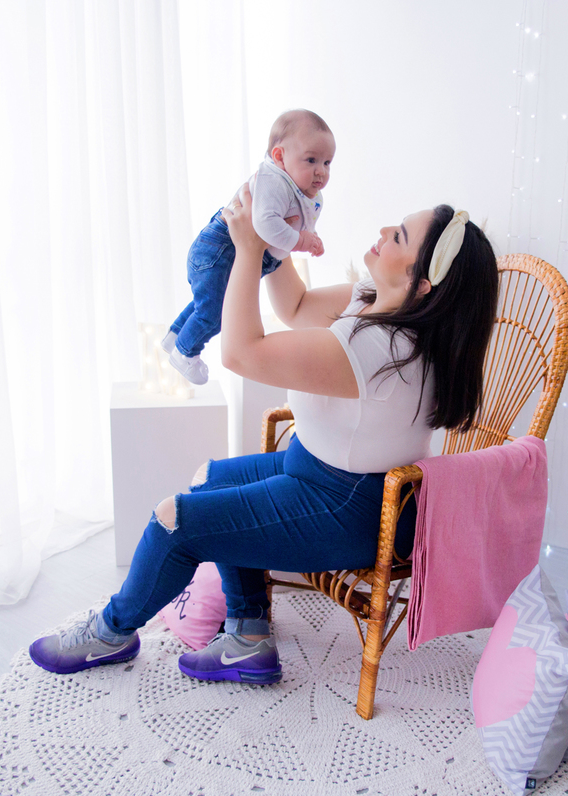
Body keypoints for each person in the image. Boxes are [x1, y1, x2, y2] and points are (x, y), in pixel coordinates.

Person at [29, 185, 500, 684]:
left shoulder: (382, 350)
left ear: (420, 282)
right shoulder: (375, 302)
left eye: (400, 236)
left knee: (175, 519)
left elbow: (241, 353)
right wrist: (279, 242)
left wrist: (249, 251)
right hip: (317, 469)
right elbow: (296, 306)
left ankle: (110, 633)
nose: (384, 232)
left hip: (349, 506)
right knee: (207, 479)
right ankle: (248, 635)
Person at [161, 109, 334, 385]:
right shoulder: (275, 181)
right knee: (215, 312)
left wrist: (308, 235)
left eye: (327, 162)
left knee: (207, 301)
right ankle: (185, 353)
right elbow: (265, 225)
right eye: (311, 160)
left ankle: (175, 337)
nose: (321, 171)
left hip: (231, 253)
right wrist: (301, 240)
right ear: (279, 156)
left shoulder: (299, 188)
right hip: (220, 250)